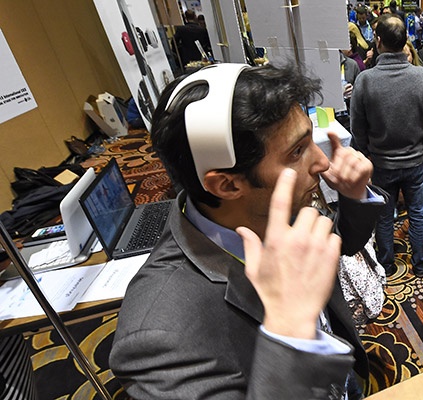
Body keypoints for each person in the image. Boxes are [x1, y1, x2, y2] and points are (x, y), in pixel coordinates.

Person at [110, 63, 387, 399]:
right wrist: (290, 332)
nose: (322, 162)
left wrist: (354, 196)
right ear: (227, 185)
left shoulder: (272, 205)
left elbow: (336, 246)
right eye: (297, 151)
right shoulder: (157, 335)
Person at [350, 14, 423, 278]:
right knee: (417, 213)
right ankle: (421, 263)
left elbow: (358, 128)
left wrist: (366, 156)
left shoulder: (365, 80)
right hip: (416, 162)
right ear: (405, 42)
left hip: (381, 163)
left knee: (384, 217)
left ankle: (387, 264)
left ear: (378, 40)